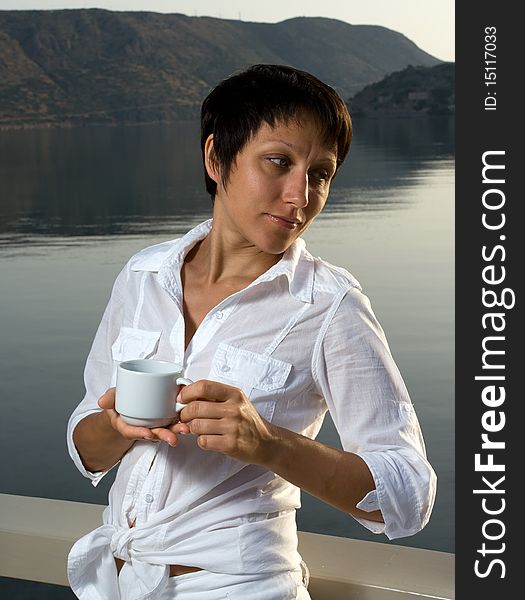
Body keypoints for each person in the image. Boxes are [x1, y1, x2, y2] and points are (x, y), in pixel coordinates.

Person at [67, 64, 436, 600]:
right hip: (119, 583)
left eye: (321, 174)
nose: (300, 196)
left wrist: (267, 445)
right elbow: (85, 446)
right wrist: (117, 423)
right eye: (279, 162)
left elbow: (409, 497)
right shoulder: (143, 276)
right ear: (216, 158)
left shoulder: (330, 305)